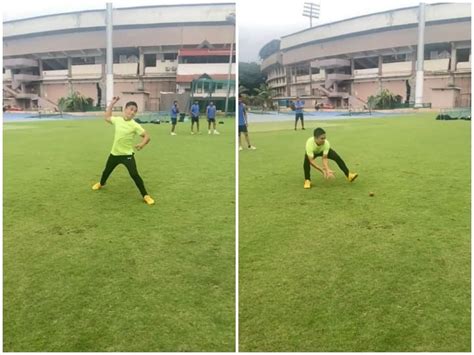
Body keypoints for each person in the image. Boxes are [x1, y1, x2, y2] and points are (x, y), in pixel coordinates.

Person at [92, 96, 155, 205]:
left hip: (127, 155)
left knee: (134, 174)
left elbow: (147, 136)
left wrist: (142, 144)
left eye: (135, 111)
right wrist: (112, 102)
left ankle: (146, 195)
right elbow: (107, 117)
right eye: (131, 109)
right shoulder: (118, 120)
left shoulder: (135, 125)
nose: (133, 112)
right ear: (125, 109)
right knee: (106, 171)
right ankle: (101, 183)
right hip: (114, 153)